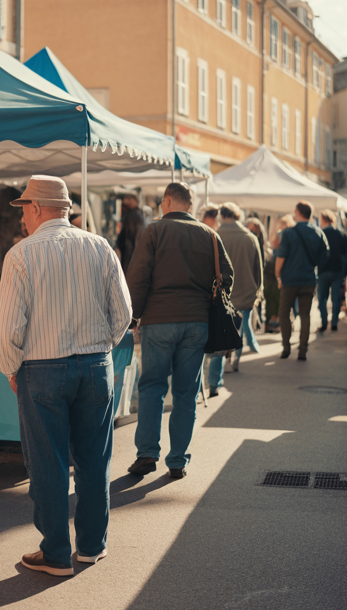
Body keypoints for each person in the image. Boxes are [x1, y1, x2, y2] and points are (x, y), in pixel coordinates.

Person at [0, 175, 132, 577]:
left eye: (24, 210)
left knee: (48, 462)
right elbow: (123, 313)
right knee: (94, 458)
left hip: (42, 368)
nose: (22, 219)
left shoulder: (21, 255)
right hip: (95, 364)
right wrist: (99, 346)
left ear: (36, 209)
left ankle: (55, 552)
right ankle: (91, 546)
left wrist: (10, 367)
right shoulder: (100, 246)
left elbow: (7, 330)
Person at [125, 182, 233, 478]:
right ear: (190, 204)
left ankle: (147, 453)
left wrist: (133, 318)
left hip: (159, 321)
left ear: (169, 200)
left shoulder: (155, 230)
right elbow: (227, 277)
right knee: (186, 393)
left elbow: (138, 277)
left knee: (152, 388)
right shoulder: (210, 235)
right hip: (197, 322)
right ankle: (177, 460)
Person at [206, 203, 263, 396]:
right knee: (238, 328)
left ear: (222, 215)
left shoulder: (213, 235)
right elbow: (259, 269)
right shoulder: (251, 237)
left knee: (220, 336)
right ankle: (234, 360)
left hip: (221, 296)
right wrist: (257, 292)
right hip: (246, 292)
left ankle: (214, 381)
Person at [274, 201, 328, 360]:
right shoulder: (318, 232)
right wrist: (313, 267)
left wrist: (278, 275)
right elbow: (325, 256)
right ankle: (303, 350)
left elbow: (281, 257)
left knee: (284, 313)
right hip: (309, 279)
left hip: (290, 280)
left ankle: (286, 347)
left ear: (298, 212)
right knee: (305, 314)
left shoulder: (289, 233)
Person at [316, 210, 347, 332]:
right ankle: (334, 322)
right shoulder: (340, 234)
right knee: (335, 298)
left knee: (322, 298)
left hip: (323, 270)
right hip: (337, 269)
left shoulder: (320, 234)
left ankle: (324, 321)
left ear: (324, 220)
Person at [265, 214, 294, 333]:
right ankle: (284, 324)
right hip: (286, 273)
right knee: (283, 302)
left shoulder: (282, 235)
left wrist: (277, 274)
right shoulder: (292, 235)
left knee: (275, 301)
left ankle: (274, 323)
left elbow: (275, 247)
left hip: (277, 272)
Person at [116, 194, 146, 271]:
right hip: (129, 248)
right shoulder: (135, 213)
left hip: (130, 248)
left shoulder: (134, 214)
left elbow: (133, 233)